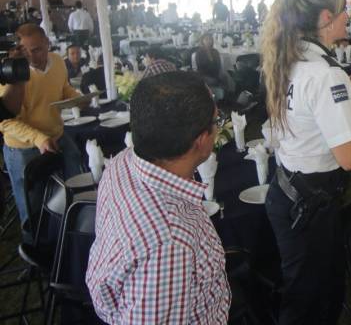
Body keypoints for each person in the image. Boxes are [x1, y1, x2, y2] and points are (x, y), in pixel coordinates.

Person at [261, 0, 351, 325]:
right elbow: (350, 157)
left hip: (288, 191)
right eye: (345, 11)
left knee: (302, 292)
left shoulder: (289, 56)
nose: (349, 18)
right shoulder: (326, 74)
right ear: (327, 17)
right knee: (313, 302)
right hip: (311, 205)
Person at [86, 71, 231, 323]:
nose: (218, 126)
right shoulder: (169, 245)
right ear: (201, 140)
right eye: (216, 120)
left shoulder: (123, 161)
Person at [0, 24, 84, 229]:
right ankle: (34, 243)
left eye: (37, 49)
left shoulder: (57, 61)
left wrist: (78, 98)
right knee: (33, 208)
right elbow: (6, 121)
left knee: (76, 182)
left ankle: (71, 229)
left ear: (47, 43)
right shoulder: (11, 73)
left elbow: (64, 88)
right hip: (23, 147)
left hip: (56, 134)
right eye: (26, 51)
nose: (31, 56)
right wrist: (39, 138)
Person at [192, 33, 234, 99]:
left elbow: (218, 65)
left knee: (224, 77)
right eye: (206, 39)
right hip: (204, 75)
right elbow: (200, 68)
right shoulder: (199, 53)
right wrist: (212, 75)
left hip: (215, 73)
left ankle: (225, 97)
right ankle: (214, 97)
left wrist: (218, 74)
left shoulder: (215, 51)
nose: (209, 41)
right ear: (202, 41)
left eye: (210, 39)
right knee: (213, 81)